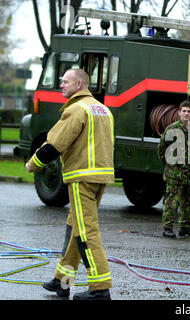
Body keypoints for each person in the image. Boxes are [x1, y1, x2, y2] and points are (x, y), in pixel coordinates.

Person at [25, 69, 114, 300]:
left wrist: (33, 164)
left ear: (79, 83)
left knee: (86, 233)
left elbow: (55, 144)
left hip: (81, 177)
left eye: (65, 81)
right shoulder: (102, 109)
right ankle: (61, 281)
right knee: (76, 226)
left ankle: (100, 288)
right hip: (100, 176)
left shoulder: (76, 109)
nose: (61, 85)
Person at [158, 100, 190, 238]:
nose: (186, 114)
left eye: (189, 111)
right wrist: (169, 164)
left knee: (188, 201)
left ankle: (185, 227)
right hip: (175, 173)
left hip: (188, 173)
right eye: (184, 111)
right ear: (179, 113)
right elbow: (162, 148)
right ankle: (168, 227)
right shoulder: (172, 129)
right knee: (172, 201)